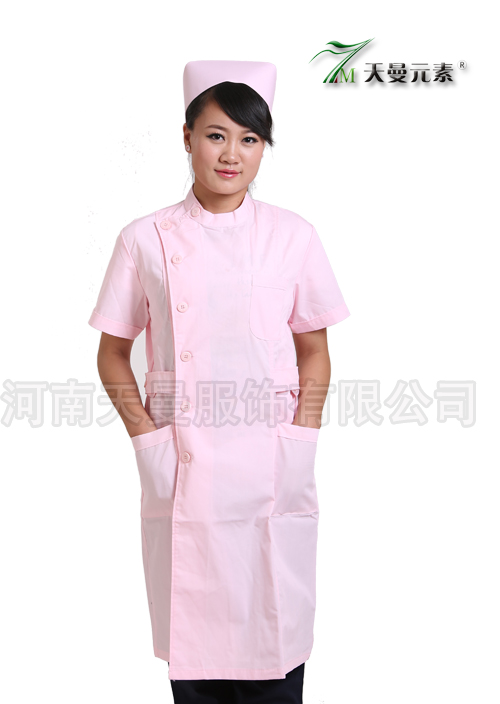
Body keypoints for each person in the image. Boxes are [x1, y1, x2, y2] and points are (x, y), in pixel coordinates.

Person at [88, 60, 351, 703]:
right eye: (216, 135)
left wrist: (300, 436)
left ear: (263, 148)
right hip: (185, 471)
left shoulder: (293, 236)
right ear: (187, 137)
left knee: (276, 650)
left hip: (270, 470)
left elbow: (314, 350)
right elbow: (113, 353)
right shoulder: (145, 239)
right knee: (197, 667)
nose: (232, 154)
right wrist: (147, 437)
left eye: (249, 138)